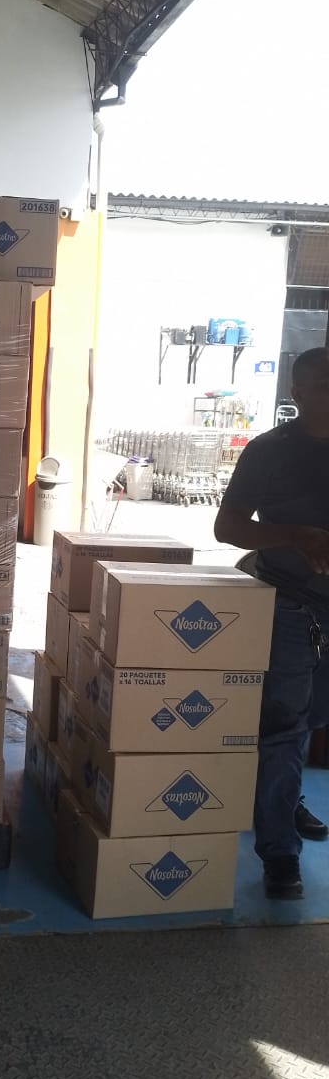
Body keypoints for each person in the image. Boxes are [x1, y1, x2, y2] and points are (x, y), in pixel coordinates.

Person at [214, 347, 329, 898]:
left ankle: (285, 798)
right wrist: (293, 535)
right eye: (325, 387)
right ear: (298, 393)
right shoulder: (269, 451)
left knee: (315, 716)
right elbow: (227, 527)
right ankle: (280, 853)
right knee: (285, 726)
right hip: (291, 605)